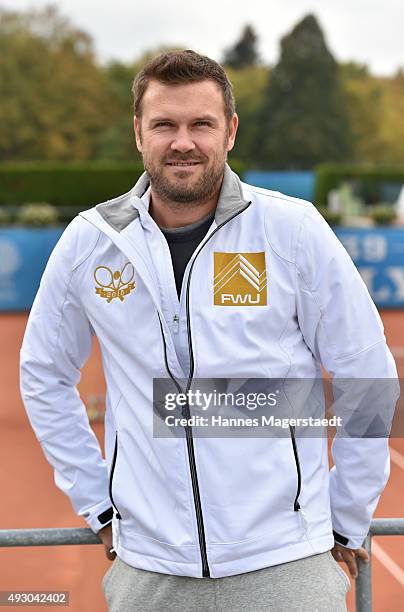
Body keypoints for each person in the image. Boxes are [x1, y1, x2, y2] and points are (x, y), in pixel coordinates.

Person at [20, 50, 397, 611]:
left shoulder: (290, 230)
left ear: (231, 131)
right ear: (138, 132)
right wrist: (98, 504)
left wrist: (345, 519)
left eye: (201, 124)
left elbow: (366, 371)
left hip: (285, 564)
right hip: (151, 571)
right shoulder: (89, 241)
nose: (183, 142)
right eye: (165, 125)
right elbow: (44, 374)